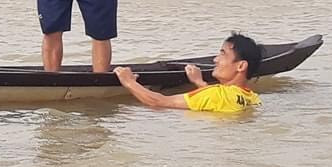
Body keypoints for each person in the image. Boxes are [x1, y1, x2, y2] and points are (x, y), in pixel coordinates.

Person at [113, 34, 264, 112]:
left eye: (223, 54)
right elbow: (220, 101)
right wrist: (200, 83)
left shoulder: (216, 94)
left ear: (241, 66)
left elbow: (159, 102)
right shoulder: (253, 98)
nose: (215, 59)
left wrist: (129, 82)